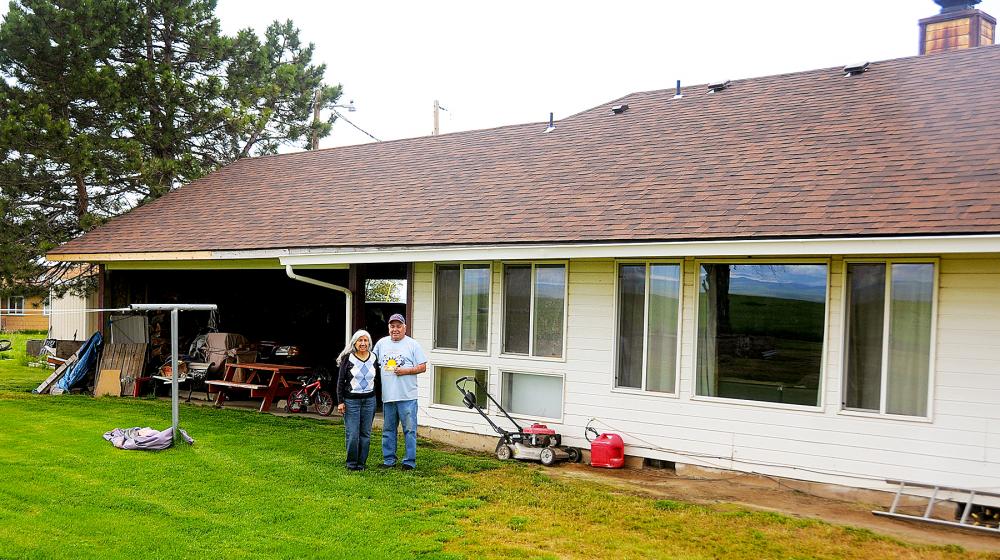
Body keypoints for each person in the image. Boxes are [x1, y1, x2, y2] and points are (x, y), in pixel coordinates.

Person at [373, 313, 427, 470]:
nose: (395, 329)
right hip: (388, 396)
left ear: (405, 327)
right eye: (392, 326)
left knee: (409, 430)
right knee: (388, 430)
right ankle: (389, 460)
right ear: (388, 327)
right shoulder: (381, 343)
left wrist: (406, 371)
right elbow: (371, 361)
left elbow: (423, 367)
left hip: (408, 396)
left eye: (398, 326)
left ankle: (409, 461)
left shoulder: (412, 344)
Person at [335, 330, 379, 471]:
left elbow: (377, 380)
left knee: (365, 434)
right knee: (353, 434)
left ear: (369, 343)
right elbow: (340, 381)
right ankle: (351, 463)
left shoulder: (374, 357)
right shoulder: (348, 358)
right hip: (351, 402)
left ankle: (362, 463)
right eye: (360, 340)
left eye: (366, 340)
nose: (363, 343)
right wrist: (340, 401)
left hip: (369, 401)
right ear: (354, 342)